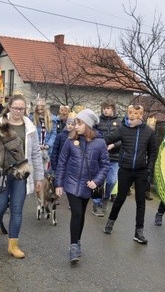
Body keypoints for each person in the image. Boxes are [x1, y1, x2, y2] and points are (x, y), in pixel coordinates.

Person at [0, 94, 44, 259]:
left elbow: (36, 154)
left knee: (17, 210)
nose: (18, 111)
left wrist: (39, 177)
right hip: (2, 173)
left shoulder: (30, 128)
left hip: (21, 174)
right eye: (15, 108)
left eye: (22, 108)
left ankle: (13, 245)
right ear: (9, 107)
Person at [55, 108, 110, 263]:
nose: (75, 126)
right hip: (71, 183)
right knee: (77, 213)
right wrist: (58, 183)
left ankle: (78, 241)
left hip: (87, 185)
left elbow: (105, 165)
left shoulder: (99, 143)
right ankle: (73, 246)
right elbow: (62, 163)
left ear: (88, 125)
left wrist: (96, 181)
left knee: (81, 213)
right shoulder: (70, 141)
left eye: (79, 123)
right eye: (74, 123)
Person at [103, 105, 158, 244]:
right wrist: (93, 139)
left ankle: (139, 231)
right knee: (120, 198)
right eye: (129, 118)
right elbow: (107, 139)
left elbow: (152, 153)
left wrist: (149, 170)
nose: (130, 121)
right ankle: (110, 221)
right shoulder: (123, 130)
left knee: (141, 201)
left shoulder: (148, 132)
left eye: (133, 119)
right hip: (125, 169)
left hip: (141, 171)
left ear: (140, 117)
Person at [91, 98, 121, 217]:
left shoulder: (119, 122)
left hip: (114, 157)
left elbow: (123, 139)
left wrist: (113, 145)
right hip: (99, 156)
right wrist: (101, 144)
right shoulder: (97, 121)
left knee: (111, 181)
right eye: (104, 108)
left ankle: (106, 197)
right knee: (98, 181)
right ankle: (96, 204)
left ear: (113, 109)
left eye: (108, 108)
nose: (105, 110)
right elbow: (93, 135)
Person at [31, 98, 57, 164]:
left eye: (41, 109)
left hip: (47, 149)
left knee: (45, 168)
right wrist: (38, 144)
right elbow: (32, 134)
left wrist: (48, 145)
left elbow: (53, 134)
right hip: (36, 148)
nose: (40, 111)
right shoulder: (33, 119)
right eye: (38, 110)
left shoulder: (52, 119)